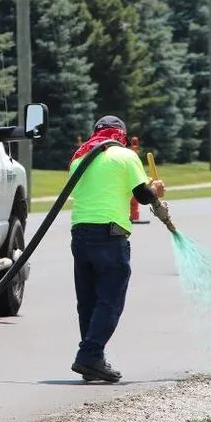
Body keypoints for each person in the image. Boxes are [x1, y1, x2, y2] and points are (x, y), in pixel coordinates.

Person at [67, 115, 167, 383]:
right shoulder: (125, 156)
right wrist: (155, 189)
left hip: (80, 234)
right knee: (110, 299)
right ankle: (90, 354)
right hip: (110, 234)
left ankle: (91, 358)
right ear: (121, 135)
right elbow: (143, 196)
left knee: (87, 299)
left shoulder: (79, 157)